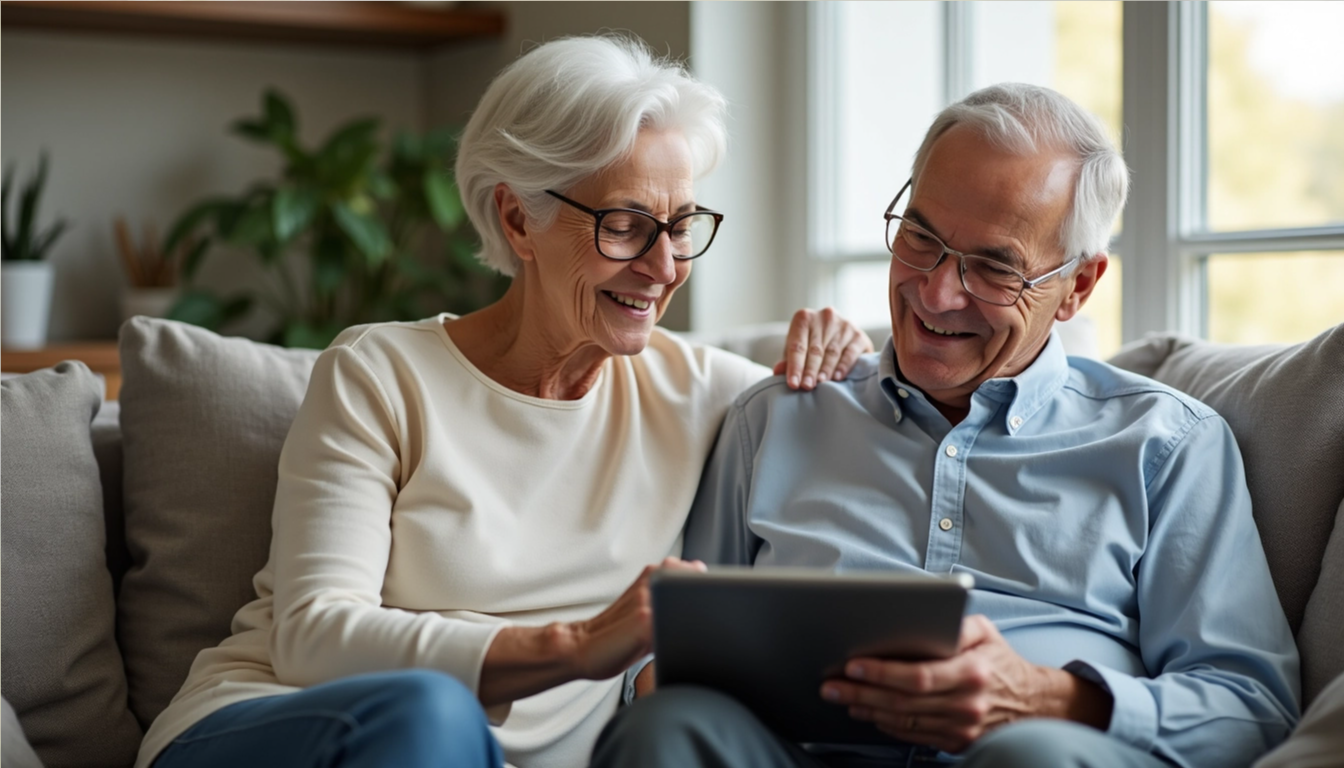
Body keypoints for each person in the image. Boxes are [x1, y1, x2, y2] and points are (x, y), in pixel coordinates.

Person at [136, 35, 874, 768]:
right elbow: (311, 636)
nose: (662, 266)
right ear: (519, 220)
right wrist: (578, 646)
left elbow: (879, 416)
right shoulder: (381, 373)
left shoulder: (707, 394)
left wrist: (843, 346)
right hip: (281, 727)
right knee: (431, 712)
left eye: (681, 227)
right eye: (624, 226)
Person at [592, 83, 1301, 768]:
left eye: (995, 269)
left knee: (1034, 757)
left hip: (1035, 757)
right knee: (667, 727)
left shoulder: (1167, 446)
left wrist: (1046, 699)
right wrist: (662, 677)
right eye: (920, 239)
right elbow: (671, 645)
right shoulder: (775, 417)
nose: (935, 293)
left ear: (1077, 287)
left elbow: (1253, 709)